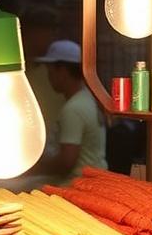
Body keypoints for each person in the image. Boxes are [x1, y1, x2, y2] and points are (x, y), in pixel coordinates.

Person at [35, 40, 107, 181]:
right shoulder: (87, 97)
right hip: (96, 179)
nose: (49, 78)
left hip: (77, 183)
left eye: (51, 72)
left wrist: (34, 168)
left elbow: (66, 162)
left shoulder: (73, 109)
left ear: (62, 71)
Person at [20, 4, 65, 153]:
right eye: (46, 30)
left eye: (53, 30)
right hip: (27, 143)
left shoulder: (60, 68)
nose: (52, 35)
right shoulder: (20, 69)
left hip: (57, 144)